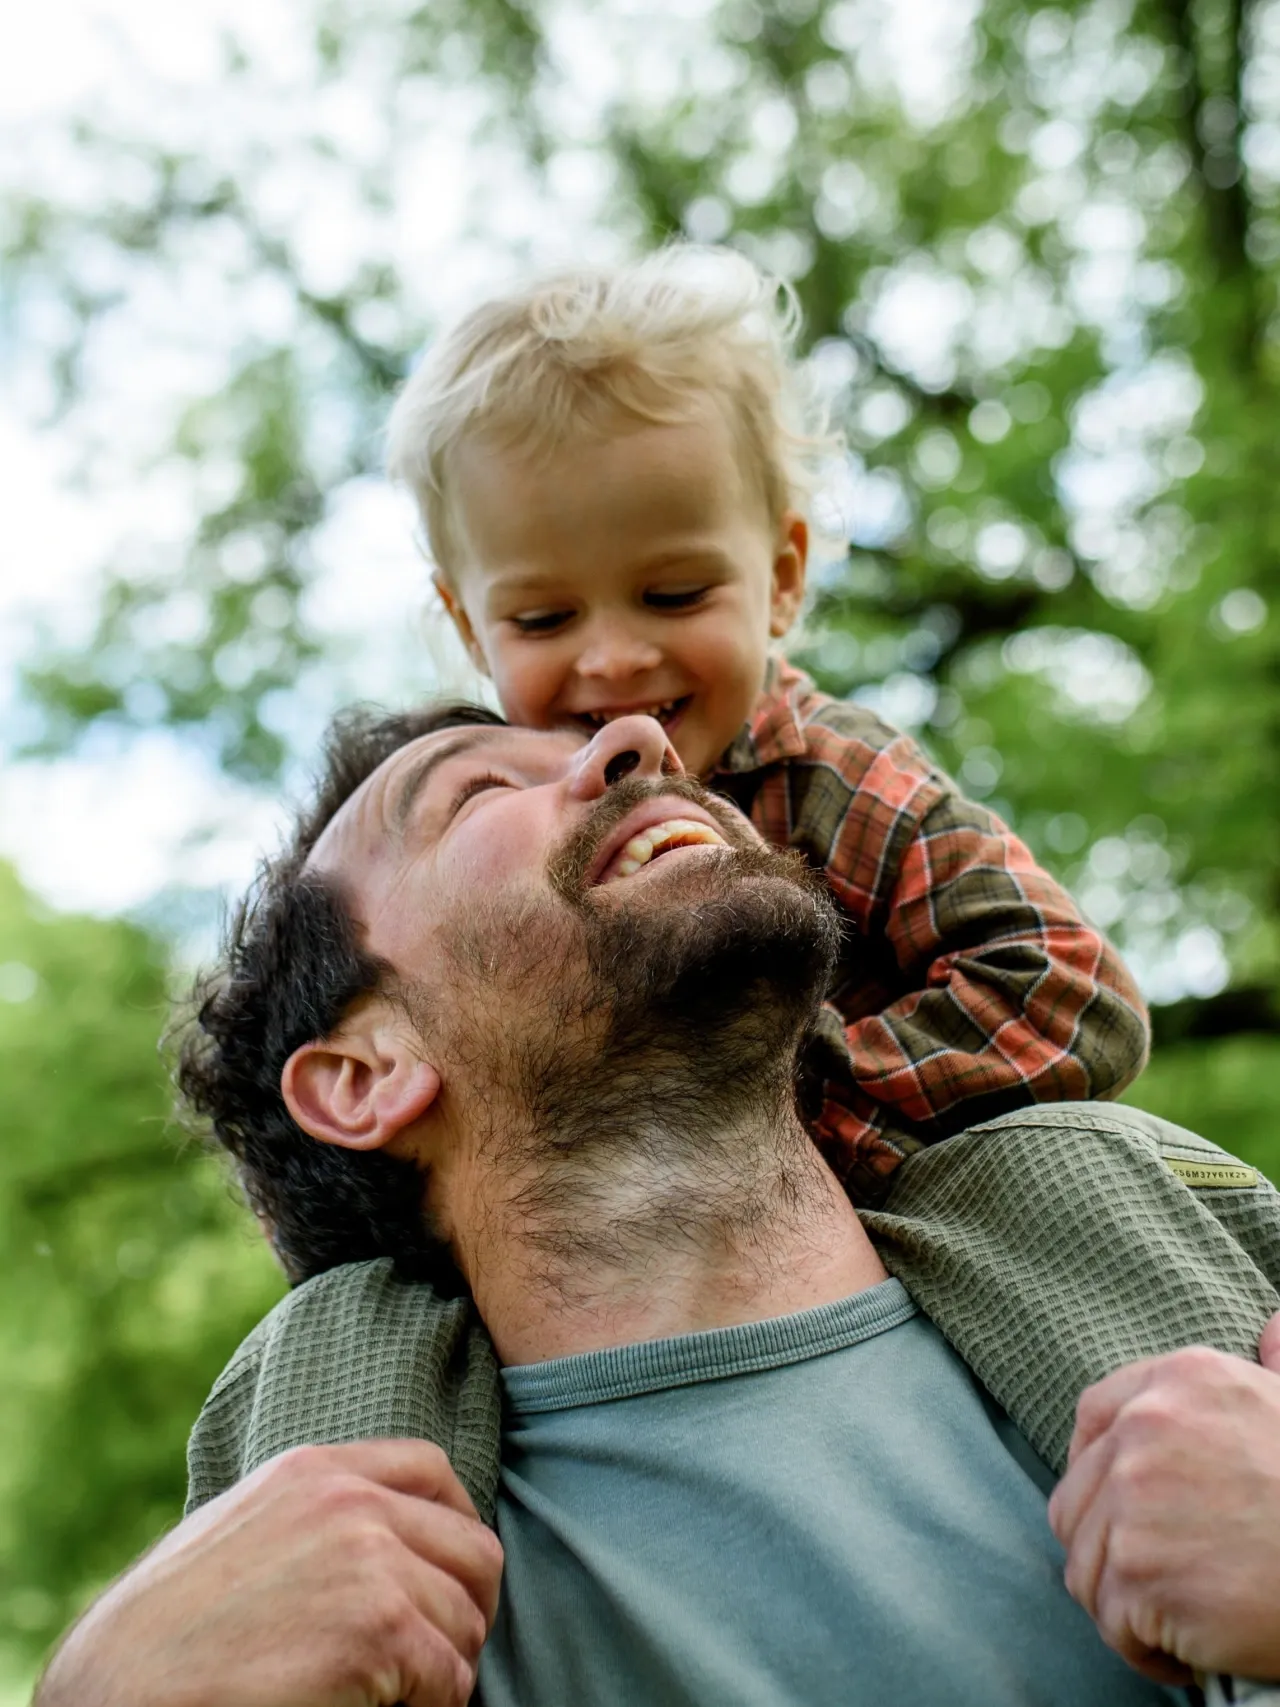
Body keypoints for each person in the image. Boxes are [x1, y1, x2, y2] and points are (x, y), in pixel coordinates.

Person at [36, 706, 1280, 1706]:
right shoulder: (305, 1618)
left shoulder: (1198, 1273)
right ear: (365, 1076)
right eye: (479, 791)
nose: (637, 739)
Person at [384, 244, 1151, 1202]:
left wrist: (781, 1105)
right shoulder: (490, 841)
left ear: (782, 576)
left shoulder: (833, 778)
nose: (614, 659)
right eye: (543, 618)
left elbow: (1070, 997)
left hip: (883, 1237)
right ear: (467, 624)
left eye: (674, 593)